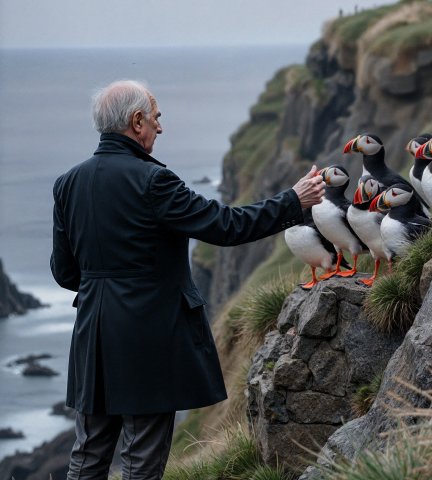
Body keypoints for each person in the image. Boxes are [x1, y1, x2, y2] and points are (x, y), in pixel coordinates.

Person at [51, 79, 325, 479]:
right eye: (157, 118)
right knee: (142, 457)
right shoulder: (153, 182)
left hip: (92, 334)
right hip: (149, 335)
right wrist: (292, 201)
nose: (161, 128)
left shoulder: (67, 184)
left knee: (88, 454)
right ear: (137, 120)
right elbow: (226, 226)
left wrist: (106, 288)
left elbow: (64, 273)